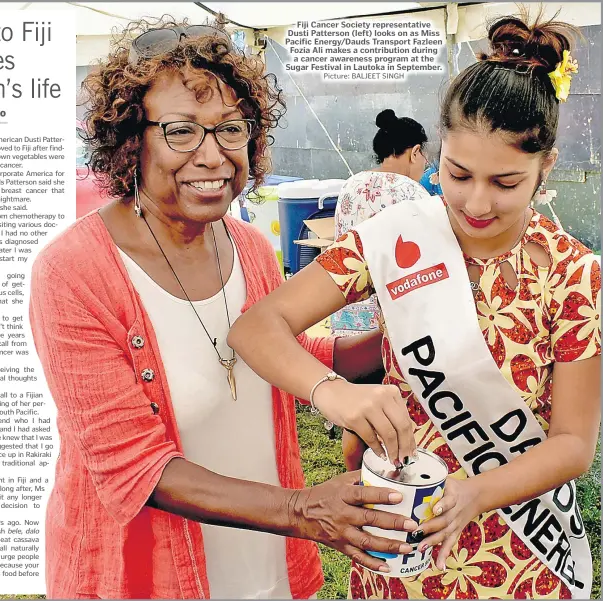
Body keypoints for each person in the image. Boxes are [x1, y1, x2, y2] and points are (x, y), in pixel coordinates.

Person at [28, 18, 419, 600]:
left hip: (264, 567)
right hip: (152, 578)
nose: (213, 156)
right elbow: (137, 469)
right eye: (182, 132)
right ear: (131, 138)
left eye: (230, 129)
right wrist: (304, 510)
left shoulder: (251, 248)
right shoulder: (74, 272)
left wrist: (398, 335)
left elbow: (266, 360)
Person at [228, 13, 600, 600]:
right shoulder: (395, 236)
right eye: (457, 173)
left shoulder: (573, 273)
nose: (475, 202)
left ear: (545, 167)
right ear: (437, 153)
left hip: (519, 551)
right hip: (398, 532)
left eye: (505, 182)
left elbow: (572, 445)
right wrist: (335, 392)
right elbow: (257, 329)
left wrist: (474, 493)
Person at [332, 109, 429, 338]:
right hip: (390, 326)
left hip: (343, 314)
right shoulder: (412, 192)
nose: (424, 165)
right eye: (424, 157)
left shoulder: (350, 185)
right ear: (415, 152)